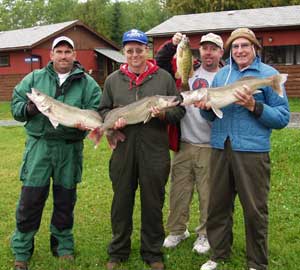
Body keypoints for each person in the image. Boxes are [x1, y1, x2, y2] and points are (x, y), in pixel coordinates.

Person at [195, 28, 290, 270]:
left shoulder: (269, 75)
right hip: (220, 147)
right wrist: (205, 107)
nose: (239, 51)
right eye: (235, 47)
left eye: (244, 46)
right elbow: (212, 115)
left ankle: (257, 262)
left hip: (252, 151)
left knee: (255, 208)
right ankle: (219, 253)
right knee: (217, 205)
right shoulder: (222, 75)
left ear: (255, 48)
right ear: (230, 51)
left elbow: (282, 118)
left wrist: (254, 106)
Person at [10, 36, 101, 270]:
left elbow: (97, 110)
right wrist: (30, 107)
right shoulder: (34, 78)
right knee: (30, 200)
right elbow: (16, 108)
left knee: (65, 201)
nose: (63, 56)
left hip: (69, 150)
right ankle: (22, 251)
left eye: (67, 52)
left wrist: (87, 123)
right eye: (58, 51)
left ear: (74, 55)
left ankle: (63, 247)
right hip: (39, 148)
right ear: (51, 55)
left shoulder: (87, 83)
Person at [98, 29, 185, 270]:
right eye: (130, 50)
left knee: (153, 201)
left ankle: (152, 252)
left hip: (155, 151)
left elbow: (179, 109)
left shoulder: (163, 78)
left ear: (147, 50)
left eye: (139, 49)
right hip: (123, 150)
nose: (135, 54)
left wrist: (164, 113)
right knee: (121, 201)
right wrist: (112, 122)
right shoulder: (113, 80)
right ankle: (118, 251)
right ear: (124, 52)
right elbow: (103, 110)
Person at [155, 32, 224, 254]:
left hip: (210, 145)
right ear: (198, 51)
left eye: (213, 48)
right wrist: (171, 44)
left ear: (221, 52)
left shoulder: (226, 76)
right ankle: (177, 230)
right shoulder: (187, 68)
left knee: (207, 194)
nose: (208, 52)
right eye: (205, 48)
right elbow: (161, 63)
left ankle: (204, 234)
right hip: (184, 142)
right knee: (179, 191)